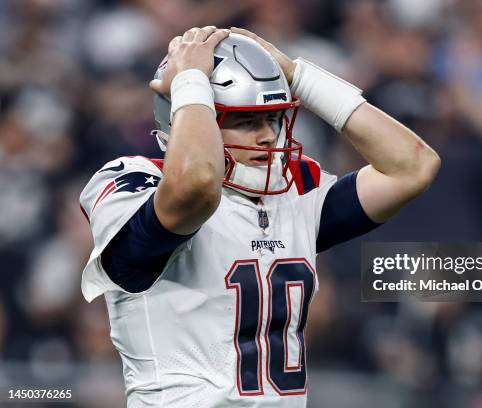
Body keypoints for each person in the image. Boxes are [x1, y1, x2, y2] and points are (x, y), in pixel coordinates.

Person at [79, 26, 440, 407]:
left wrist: (301, 77)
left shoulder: (293, 189)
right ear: (184, 114)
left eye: (273, 118)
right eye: (247, 121)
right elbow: (196, 186)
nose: (269, 136)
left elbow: (411, 167)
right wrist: (191, 82)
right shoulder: (134, 180)